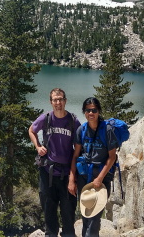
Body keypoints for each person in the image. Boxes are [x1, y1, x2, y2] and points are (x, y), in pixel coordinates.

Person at [29, 88, 81, 237]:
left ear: (65, 101)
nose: (58, 102)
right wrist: (38, 146)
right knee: (49, 210)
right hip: (48, 172)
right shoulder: (46, 118)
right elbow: (31, 130)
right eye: (55, 100)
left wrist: (73, 177)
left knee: (68, 210)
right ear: (51, 102)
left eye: (60, 99)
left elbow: (78, 149)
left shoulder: (73, 121)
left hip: (66, 174)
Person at [68, 97, 118, 237]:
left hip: (101, 180)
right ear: (84, 112)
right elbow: (75, 155)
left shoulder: (107, 130)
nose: (91, 113)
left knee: (94, 218)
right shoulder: (81, 130)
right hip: (84, 178)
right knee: (86, 215)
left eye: (94, 110)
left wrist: (100, 178)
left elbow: (112, 157)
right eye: (88, 110)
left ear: (99, 111)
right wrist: (72, 179)